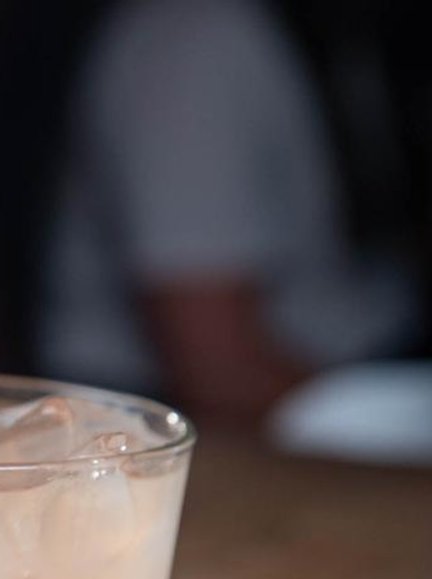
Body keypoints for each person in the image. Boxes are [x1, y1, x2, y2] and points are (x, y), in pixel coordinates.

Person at [39, 0, 423, 422]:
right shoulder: (191, 38)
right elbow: (216, 366)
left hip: (373, 360)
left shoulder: (344, 38)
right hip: (191, 419)